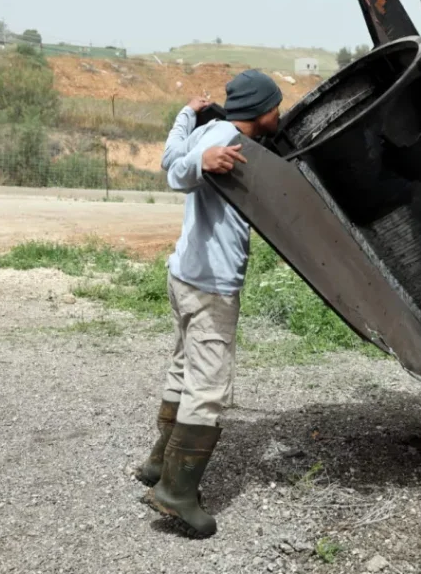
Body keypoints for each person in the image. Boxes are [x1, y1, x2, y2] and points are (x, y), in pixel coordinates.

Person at [136, 69, 283, 538]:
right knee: (209, 385)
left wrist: (187, 113)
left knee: (183, 368)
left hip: (183, 275)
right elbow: (176, 172)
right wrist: (202, 162)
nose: (280, 112)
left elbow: (168, 155)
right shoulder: (225, 143)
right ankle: (176, 492)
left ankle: (158, 463)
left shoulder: (212, 128)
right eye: (276, 106)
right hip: (211, 285)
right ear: (260, 111)